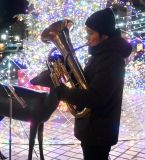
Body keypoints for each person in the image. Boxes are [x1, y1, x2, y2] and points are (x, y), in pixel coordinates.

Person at [55, 8, 132, 160]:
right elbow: (86, 82)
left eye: (91, 33)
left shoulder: (111, 59)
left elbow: (96, 97)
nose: (87, 38)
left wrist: (63, 92)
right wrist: (66, 66)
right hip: (93, 128)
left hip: (99, 131)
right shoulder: (100, 54)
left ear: (104, 35)